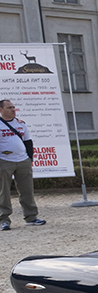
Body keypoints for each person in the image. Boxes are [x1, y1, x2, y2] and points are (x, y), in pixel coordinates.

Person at [0, 99, 45, 230]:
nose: (13, 109)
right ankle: (4, 220)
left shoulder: (21, 123)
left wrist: (29, 158)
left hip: (23, 161)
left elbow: (28, 141)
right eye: (9, 107)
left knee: (27, 190)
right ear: (1, 110)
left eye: (14, 107)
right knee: (3, 192)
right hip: (4, 161)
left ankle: (31, 217)